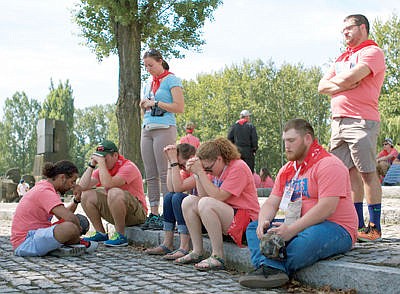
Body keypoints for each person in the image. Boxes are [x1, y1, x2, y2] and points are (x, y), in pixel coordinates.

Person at [239, 119, 358, 289]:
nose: (286, 146)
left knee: (308, 239)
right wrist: (263, 221)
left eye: (291, 140)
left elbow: (327, 208)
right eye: (285, 141)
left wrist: (291, 230)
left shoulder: (329, 164)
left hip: (336, 227)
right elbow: (271, 202)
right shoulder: (288, 169)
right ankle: (273, 269)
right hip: (298, 225)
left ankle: (268, 268)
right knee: (253, 228)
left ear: (308, 139)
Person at [318, 14, 386, 242]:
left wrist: (338, 83)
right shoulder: (342, 57)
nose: (345, 32)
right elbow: (321, 86)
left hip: (361, 120)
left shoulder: (372, 52)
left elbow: (355, 76)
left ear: (363, 28)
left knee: (367, 173)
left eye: (349, 28)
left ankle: (374, 226)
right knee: (346, 174)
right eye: (343, 30)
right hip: (337, 121)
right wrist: (344, 83)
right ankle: (356, 225)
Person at [175, 138, 260, 271]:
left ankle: (218, 256)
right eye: (205, 169)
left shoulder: (238, 167)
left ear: (219, 159)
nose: (208, 172)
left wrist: (202, 172)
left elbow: (218, 197)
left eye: (208, 169)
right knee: (189, 201)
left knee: (206, 203)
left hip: (247, 223)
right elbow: (202, 198)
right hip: (229, 218)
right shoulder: (215, 170)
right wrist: (197, 174)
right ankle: (197, 251)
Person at [11, 160, 97, 257]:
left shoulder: (47, 188)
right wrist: (76, 231)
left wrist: (76, 199)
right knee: (70, 227)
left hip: (36, 235)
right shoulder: (45, 191)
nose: (73, 186)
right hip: (26, 242)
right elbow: (69, 217)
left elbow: (63, 216)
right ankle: (76, 243)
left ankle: (66, 243)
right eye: (72, 181)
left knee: (80, 221)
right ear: (63, 178)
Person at [140, 49, 185, 230]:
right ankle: (154, 213)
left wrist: (156, 103)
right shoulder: (148, 83)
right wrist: (144, 104)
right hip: (147, 127)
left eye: (151, 65)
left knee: (164, 172)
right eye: (146, 66)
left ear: (160, 61)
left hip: (164, 127)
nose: (148, 69)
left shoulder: (172, 80)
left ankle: (169, 215)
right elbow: (145, 104)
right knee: (150, 174)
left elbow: (179, 107)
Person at [80, 140, 148, 247]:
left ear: (115, 155)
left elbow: (108, 184)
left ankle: (120, 235)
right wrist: (91, 165)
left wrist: (101, 163)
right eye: (99, 158)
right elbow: (82, 187)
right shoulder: (104, 169)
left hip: (137, 214)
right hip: (117, 212)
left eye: (104, 158)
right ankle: (101, 233)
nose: (102, 161)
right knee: (86, 195)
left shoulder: (129, 167)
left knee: (113, 191)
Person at [145, 143, 196, 260]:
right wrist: (170, 162)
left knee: (178, 198)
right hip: (192, 215)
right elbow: (171, 188)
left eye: (182, 164)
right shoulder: (185, 169)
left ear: (192, 157)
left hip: (201, 217)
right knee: (169, 197)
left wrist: (174, 161)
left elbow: (178, 188)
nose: (181, 168)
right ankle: (167, 243)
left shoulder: (200, 169)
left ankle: (184, 246)